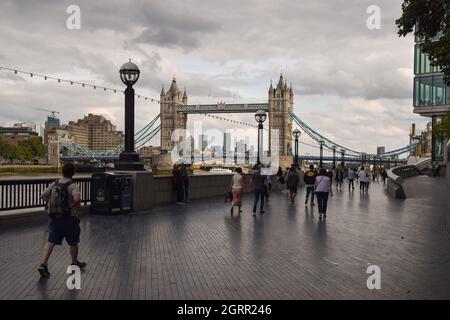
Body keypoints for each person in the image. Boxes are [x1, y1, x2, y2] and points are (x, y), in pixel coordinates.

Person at [38, 162, 86, 278]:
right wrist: (73, 207)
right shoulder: (74, 185)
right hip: (70, 218)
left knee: (51, 241)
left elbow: (43, 196)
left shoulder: (55, 183)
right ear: (73, 173)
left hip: (55, 218)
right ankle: (74, 263)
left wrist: (54, 204)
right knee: (73, 242)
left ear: (62, 172)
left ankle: (43, 264)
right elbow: (77, 199)